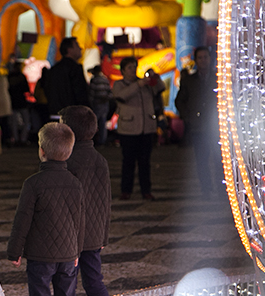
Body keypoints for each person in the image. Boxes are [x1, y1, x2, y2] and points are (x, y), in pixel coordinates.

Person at [7, 122, 84, 296]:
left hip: (40, 256)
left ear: (41, 150)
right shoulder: (75, 183)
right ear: (69, 152)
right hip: (68, 256)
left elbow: (23, 220)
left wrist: (15, 250)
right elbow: (79, 221)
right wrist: (77, 252)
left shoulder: (33, 183)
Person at [58, 105, 111, 296]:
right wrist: (103, 236)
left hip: (71, 235)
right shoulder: (100, 160)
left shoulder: (67, 161)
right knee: (94, 281)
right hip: (94, 233)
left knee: (66, 284)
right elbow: (106, 201)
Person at [112, 57, 164, 201]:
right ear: (122, 70)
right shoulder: (119, 84)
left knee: (145, 162)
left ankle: (146, 190)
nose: (133, 70)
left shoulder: (145, 84)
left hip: (146, 128)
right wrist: (138, 85)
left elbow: (159, 89)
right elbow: (121, 96)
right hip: (128, 129)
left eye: (134, 67)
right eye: (129, 67)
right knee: (128, 161)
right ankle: (126, 190)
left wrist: (155, 77)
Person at [175, 46, 224, 198]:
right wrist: (188, 116)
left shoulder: (219, 78)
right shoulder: (189, 80)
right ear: (196, 61)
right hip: (198, 126)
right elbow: (180, 101)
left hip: (216, 126)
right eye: (200, 58)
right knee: (201, 160)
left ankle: (222, 190)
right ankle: (206, 189)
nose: (203, 61)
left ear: (211, 59)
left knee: (219, 160)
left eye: (206, 57)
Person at [44, 37, 89, 116]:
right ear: (69, 49)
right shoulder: (74, 69)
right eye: (77, 45)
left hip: (54, 113)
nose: (80, 49)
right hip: (72, 115)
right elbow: (80, 93)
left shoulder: (54, 69)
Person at [7, 62, 31, 146]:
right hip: (21, 101)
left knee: (13, 122)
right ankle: (23, 139)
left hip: (12, 101)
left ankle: (15, 139)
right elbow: (26, 89)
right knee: (26, 120)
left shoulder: (9, 77)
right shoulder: (21, 77)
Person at [88, 65, 112, 146]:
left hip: (97, 104)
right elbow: (110, 92)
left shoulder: (94, 80)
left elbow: (91, 93)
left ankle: (92, 140)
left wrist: (90, 103)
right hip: (105, 104)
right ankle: (102, 140)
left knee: (94, 123)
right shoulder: (105, 80)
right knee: (103, 122)